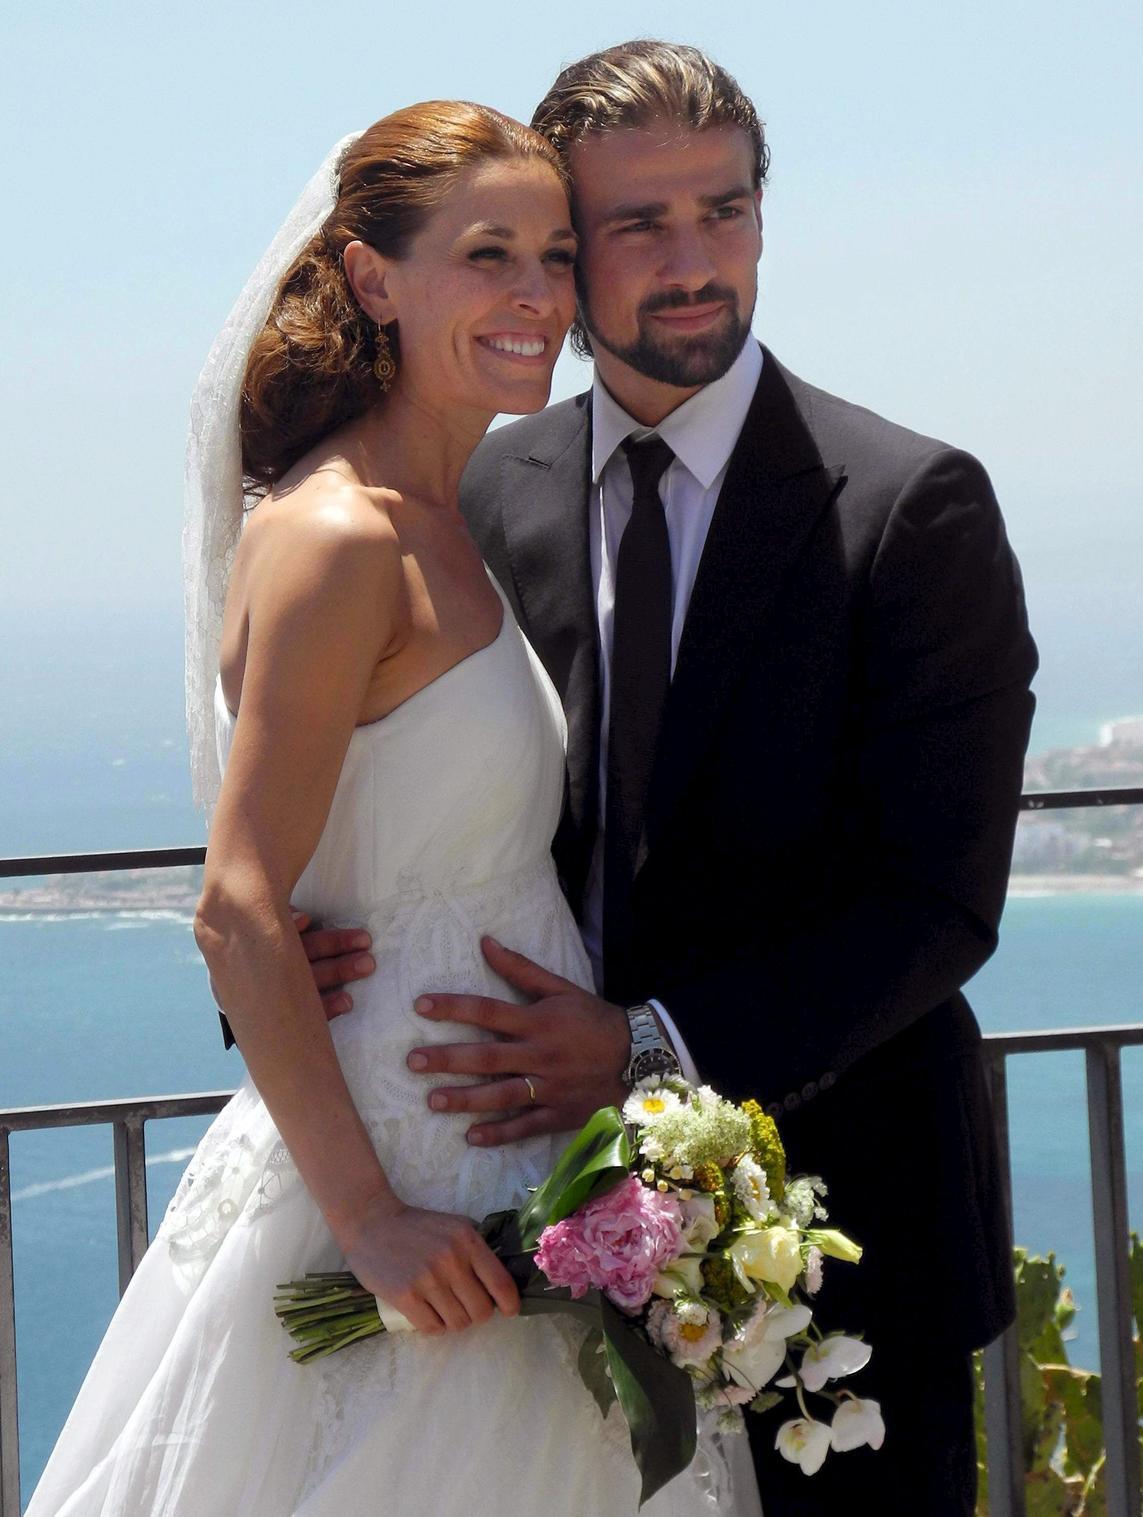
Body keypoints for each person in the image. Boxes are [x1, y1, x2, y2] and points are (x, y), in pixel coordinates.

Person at [304, 42, 1038, 1517]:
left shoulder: (914, 505)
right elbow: (401, 778)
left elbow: (939, 901)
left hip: (837, 1252)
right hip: (523, 1252)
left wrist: (652, 1047)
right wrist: (322, 947)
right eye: (640, 224)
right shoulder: (488, 489)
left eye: (727, 208)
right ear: (566, 260)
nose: (696, 261)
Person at [26, 102, 758, 1516]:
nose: (537, 296)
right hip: (404, 1176)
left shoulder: (451, 511)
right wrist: (370, 1221)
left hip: (514, 1149)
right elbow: (238, 902)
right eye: (486, 255)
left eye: (551, 254)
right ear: (373, 280)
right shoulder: (338, 534)